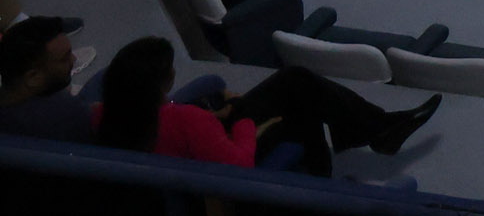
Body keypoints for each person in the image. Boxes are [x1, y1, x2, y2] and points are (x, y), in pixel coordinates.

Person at [88, 33, 441, 170]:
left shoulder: (105, 114)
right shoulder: (188, 121)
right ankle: (376, 133)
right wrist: (245, 125)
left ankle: (378, 130)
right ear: (163, 82)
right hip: (225, 150)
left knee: (295, 80)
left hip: (199, 142)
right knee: (300, 104)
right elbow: (238, 163)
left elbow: (172, 127)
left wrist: (219, 111)